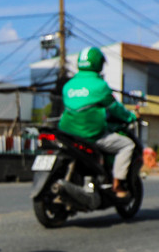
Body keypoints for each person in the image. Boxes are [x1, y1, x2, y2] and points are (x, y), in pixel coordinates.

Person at [58, 46, 139, 197]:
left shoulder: (68, 86)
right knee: (127, 145)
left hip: (68, 134)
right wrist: (131, 117)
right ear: (98, 64)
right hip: (91, 135)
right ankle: (117, 184)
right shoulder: (100, 86)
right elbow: (116, 109)